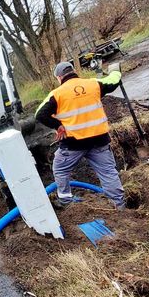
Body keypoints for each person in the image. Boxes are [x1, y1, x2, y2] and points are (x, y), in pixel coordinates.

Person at [35, 62, 126, 210]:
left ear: (59, 77)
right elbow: (113, 81)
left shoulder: (57, 94)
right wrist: (115, 71)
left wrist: (58, 125)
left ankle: (65, 201)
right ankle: (119, 205)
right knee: (108, 172)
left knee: (60, 169)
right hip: (99, 140)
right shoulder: (93, 84)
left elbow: (40, 114)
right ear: (74, 71)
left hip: (73, 144)